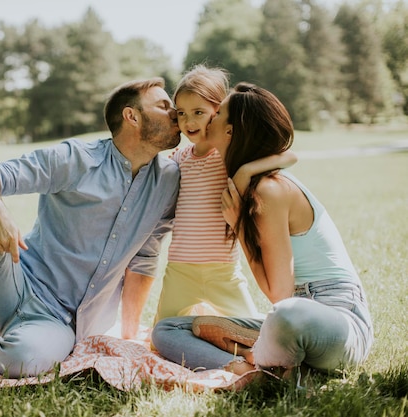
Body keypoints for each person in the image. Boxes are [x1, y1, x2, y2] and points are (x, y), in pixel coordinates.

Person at [0, 77, 182, 415]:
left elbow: (145, 256)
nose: (175, 113)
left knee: (28, 359)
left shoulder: (169, 181)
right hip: (15, 285)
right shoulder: (75, 158)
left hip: (60, 325)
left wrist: (129, 334)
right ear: (132, 116)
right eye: (163, 105)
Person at [152, 82, 373, 381]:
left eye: (218, 114)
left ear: (231, 131)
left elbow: (280, 296)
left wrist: (239, 224)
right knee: (167, 330)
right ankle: (248, 369)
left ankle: (267, 357)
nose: (210, 117)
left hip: (335, 319)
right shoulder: (248, 182)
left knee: (287, 315)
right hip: (292, 318)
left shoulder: (271, 190)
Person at [153, 65, 296, 324]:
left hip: (223, 271)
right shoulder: (178, 159)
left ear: (217, 112)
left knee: (253, 334)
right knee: (159, 336)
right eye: (182, 114)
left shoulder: (227, 156)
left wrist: (247, 170)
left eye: (199, 112)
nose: (189, 122)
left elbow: (290, 156)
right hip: (180, 269)